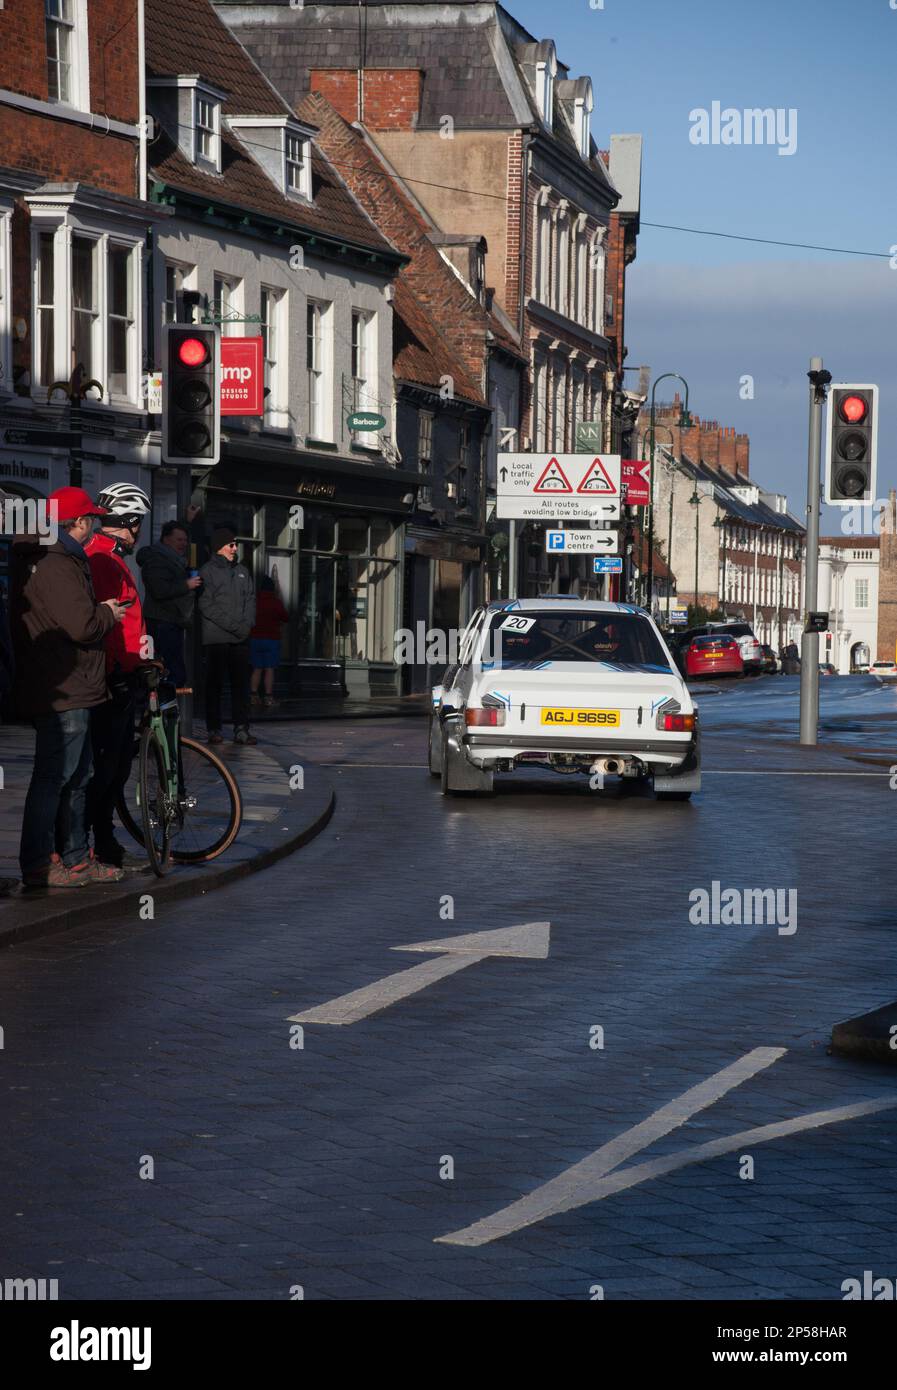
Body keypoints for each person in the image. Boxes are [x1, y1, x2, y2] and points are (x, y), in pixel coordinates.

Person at [10, 486, 127, 887]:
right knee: (56, 777)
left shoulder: (47, 555)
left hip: (64, 682)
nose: (93, 525)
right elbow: (81, 624)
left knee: (77, 774)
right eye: (90, 519)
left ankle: (74, 857)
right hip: (64, 683)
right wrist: (108, 613)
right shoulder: (57, 562)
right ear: (77, 522)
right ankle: (41, 863)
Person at [84, 482, 152, 868]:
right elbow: (107, 621)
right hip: (114, 676)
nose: (138, 531)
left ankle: (103, 838)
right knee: (107, 767)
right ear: (125, 522)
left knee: (117, 764)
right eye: (136, 523)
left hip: (125, 670)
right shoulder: (103, 560)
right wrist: (123, 667)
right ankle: (96, 841)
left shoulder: (109, 556)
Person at [199, 526, 256, 745]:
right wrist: (235, 626)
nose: (235, 548)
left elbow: (251, 599)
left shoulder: (243, 571)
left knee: (241, 686)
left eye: (235, 544)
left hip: (240, 639)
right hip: (217, 639)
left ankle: (241, 729)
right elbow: (206, 605)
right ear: (219, 547)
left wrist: (247, 624)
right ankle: (214, 729)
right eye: (231, 544)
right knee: (214, 686)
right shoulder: (207, 571)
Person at [136, 519, 202, 687]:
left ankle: (165, 708)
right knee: (169, 675)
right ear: (166, 539)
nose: (184, 544)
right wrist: (186, 585)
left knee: (172, 674)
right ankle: (160, 709)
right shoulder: (157, 559)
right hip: (161, 623)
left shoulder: (175, 560)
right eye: (179, 539)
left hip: (171, 621)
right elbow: (159, 590)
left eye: (185, 540)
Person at [250, 575, 288, 709]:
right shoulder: (275, 602)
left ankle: (253, 696)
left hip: (255, 638)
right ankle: (268, 697)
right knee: (269, 669)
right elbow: (285, 617)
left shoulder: (254, 601)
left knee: (257, 668)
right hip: (271, 639)